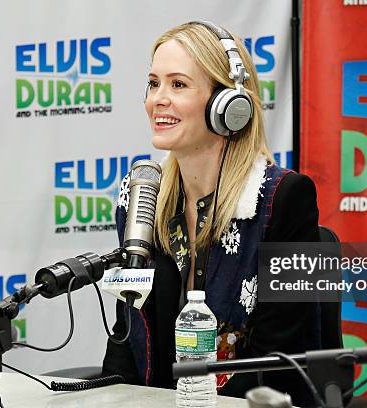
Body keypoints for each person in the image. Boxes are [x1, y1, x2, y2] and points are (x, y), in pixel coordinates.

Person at [102, 21, 321, 406]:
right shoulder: (140, 198)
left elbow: (280, 361)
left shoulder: (290, 197)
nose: (158, 99)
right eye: (154, 83)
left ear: (229, 107)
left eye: (178, 84)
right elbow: (127, 337)